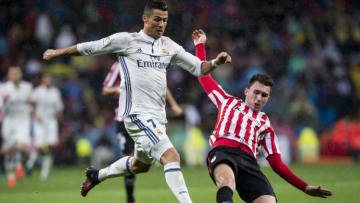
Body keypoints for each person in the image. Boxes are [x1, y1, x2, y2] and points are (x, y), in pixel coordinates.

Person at [42, 0, 231, 202]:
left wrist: (215, 62)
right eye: (157, 19)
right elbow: (91, 47)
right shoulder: (127, 41)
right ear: (145, 18)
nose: (161, 24)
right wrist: (57, 52)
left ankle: (97, 175)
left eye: (165, 20)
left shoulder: (168, 45)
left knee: (140, 165)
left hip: (157, 117)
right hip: (136, 114)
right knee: (172, 156)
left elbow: (198, 68)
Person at [192, 29, 332, 203]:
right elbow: (203, 78)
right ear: (246, 91)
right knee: (227, 183)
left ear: (268, 98)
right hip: (223, 151)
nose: (259, 98)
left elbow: (277, 164)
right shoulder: (227, 101)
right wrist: (200, 46)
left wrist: (304, 186)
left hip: (249, 163)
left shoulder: (265, 123)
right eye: (256, 92)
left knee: (268, 201)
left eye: (264, 95)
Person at [102, 61, 183, 203]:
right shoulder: (118, 66)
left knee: (142, 164)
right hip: (123, 119)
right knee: (130, 156)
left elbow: (161, 86)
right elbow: (105, 90)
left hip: (145, 117)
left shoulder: (144, 62)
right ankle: (130, 197)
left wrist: (174, 104)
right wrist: (118, 90)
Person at [25, 73, 63, 180]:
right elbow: (29, 107)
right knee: (39, 146)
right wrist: (35, 116)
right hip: (39, 122)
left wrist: (57, 117)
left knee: (50, 147)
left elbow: (59, 108)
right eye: (46, 79)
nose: (48, 81)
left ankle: (44, 174)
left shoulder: (55, 92)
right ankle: (30, 165)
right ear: (42, 80)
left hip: (51, 122)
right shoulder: (37, 92)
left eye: (50, 79)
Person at [1, 66, 33, 187]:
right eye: (12, 74)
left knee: (22, 147)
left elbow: (31, 101)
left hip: (23, 120)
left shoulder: (27, 87)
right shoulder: (3, 88)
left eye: (17, 73)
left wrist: (32, 102)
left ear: (21, 74)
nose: (15, 76)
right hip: (9, 121)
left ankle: (18, 163)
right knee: (8, 151)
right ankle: (11, 174)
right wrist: (4, 100)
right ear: (8, 75)